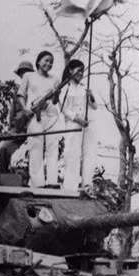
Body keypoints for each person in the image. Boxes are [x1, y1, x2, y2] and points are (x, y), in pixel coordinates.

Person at [17, 51, 61, 188]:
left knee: (53, 148)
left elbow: (55, 101)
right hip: (36, 115)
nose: (49, 64)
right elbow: (21, 94)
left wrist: (56, 94)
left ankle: (52, 182)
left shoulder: (55, 79)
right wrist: (25, 109)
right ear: (38, 61)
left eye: (51, 62)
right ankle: (38, 183)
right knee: (35, 148)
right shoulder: (28, 76)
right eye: (46, 60)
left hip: (51, 116)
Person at [59, 60, 98, 190]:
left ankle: (87, 185)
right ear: (70, 70)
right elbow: (63, 108)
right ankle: (70, 186)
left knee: (89, 153)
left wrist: (91, 96)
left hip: (88, 124)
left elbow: (94, 106)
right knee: (72, 154)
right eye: (78, 70)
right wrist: (77, 119)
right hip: (73, 124)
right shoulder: (65, 87)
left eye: (82, 71)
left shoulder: (84, 88)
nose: (80, 73)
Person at [0, 61, 35, 174]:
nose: (24, 76)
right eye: (22, 74)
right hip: (18, 132)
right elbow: (12, 114)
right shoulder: (17, 92)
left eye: (27, 73)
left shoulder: (35, 90)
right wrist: (12, 130)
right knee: (3, 149)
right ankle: (4, 177)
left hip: (33, 131)